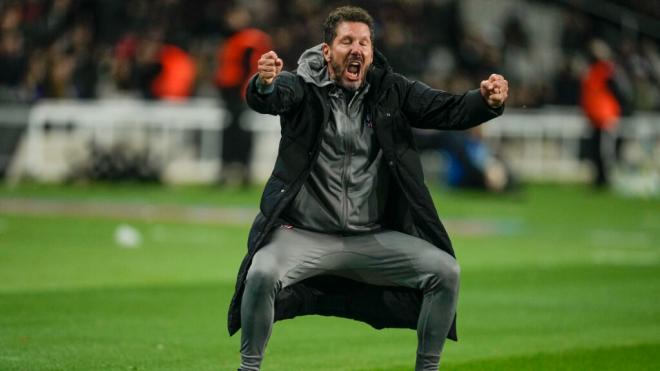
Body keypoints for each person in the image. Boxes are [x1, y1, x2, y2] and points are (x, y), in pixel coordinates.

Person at [228, 6, 508, 371]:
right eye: (347, 41)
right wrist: (263, 83)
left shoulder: (390, 90)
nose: (357, 48)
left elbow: (446, 109)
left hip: (369, 239)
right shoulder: (301, 86)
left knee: (445, 272)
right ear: (327, 51)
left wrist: (485, 101)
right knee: (262, 273)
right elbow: (270, 96)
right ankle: (249, 368)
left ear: (372, 51)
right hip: (305, 237)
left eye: (364, 42)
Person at [215, 7, 272, 186]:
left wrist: (247, 91)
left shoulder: (248, 40)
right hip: (234, 94)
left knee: (239, 134)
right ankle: (233, 171)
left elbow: (247, 69)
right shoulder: (235, 39)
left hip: (242, 94)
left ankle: (240, 171)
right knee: (232, 133)